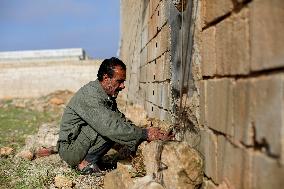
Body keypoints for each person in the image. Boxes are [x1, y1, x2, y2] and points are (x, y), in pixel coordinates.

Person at [57, 57, 171, 175]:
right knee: (109, 127)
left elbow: (120, 119)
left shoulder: (105, 95)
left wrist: (137, 134)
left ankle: (94, 160)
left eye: (124, 82)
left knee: (114, 124)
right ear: (106, 78)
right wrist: (145, 134)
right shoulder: (90, 96)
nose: (123, 86)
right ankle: (85, 163)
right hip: (70, 151)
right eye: (119, 81)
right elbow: (111, 127)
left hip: (77, 145)